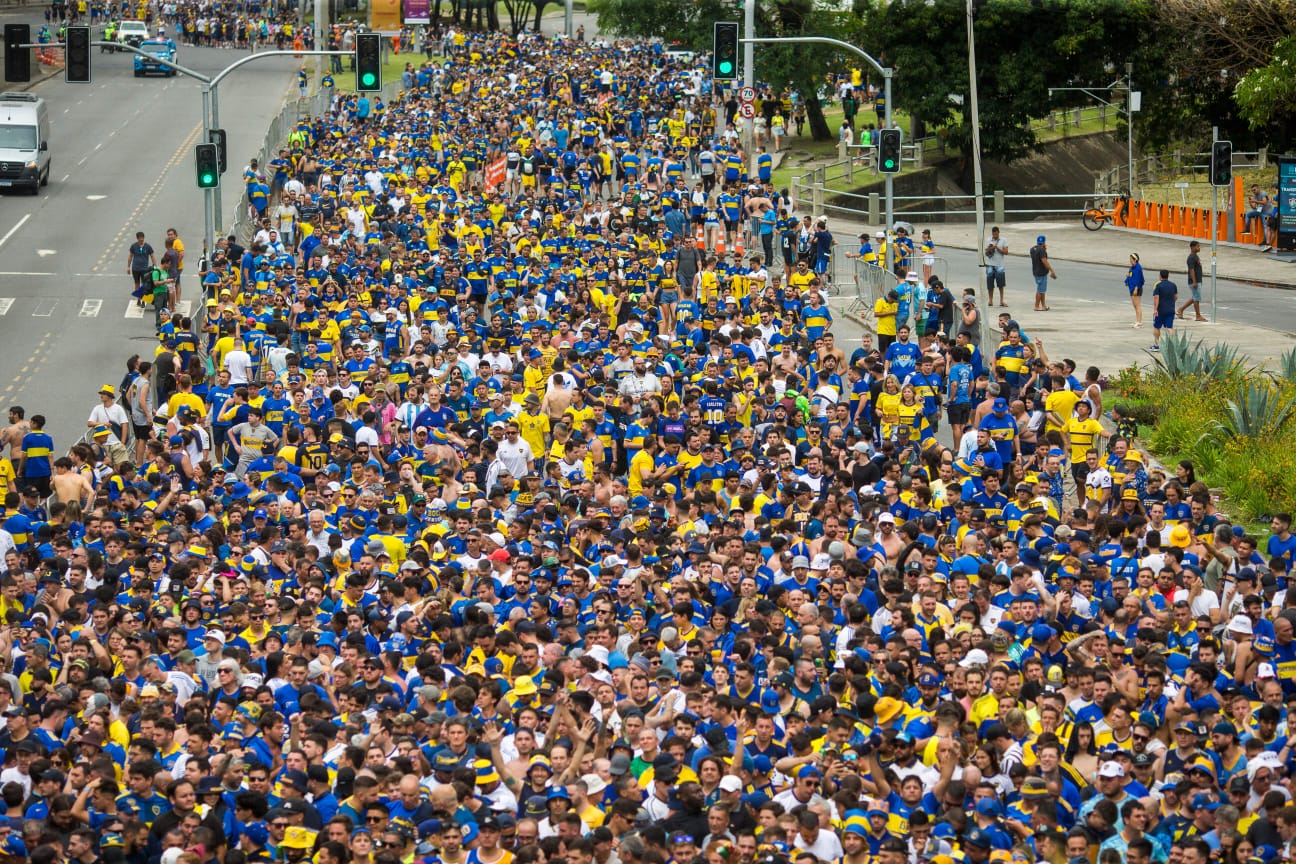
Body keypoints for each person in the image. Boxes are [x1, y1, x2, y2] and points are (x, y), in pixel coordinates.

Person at [1178, 240, 1207, 322]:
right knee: (1196, 298)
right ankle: (1198, 316)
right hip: (1194, 281)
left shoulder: (1195, 256)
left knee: (1195, 297)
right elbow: (1191, 270)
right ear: (1192, 247)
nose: (1199, 248)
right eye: (1197, 246)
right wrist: (1194, 281)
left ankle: (1180, 309)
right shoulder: (1191, 257)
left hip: (1197, 281)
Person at [1150, 269, 1178, 352]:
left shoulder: (1158, 285)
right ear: (1168, 276)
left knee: (1157, 327)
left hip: (1161, 310)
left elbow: (1156, 298)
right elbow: (1176, 296)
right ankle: (1172, 346)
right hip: (1170, 309)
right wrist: (1171, 303)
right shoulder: (1173, 285)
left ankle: (1156, 345)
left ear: (1160, 276)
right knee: (1169, 327)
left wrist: (1155, 309)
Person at [1029, 235, 1056, 312]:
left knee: (1042, 290)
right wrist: (1052, 270)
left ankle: (1043, 306)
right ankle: (1036, 306)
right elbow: (1044, 261)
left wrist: (1043, 250)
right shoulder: (1042, 250)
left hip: (1035, 272)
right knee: (1040, 290)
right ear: (1044, 242)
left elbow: (1037, 257)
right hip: (1041, 272)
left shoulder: (1032, 249)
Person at [985, 225, 1007, 306]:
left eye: (996, 234)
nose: (995, 236)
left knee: (1001, 284)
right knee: (990, 283)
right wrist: (991, 248)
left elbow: (1006, 252)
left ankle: (1001, 300)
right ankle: (990, 300)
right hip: (990, 264)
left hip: (1000, 265)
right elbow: (986, 252)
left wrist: (998, 248)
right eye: (994, 234)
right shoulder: (988, 240)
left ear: (998, 233)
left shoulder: (1003, 240)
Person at [1125, 252, 1145, 327]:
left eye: (1131, 259)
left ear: (1135, 260)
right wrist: (1128, 276)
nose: (1130, 260)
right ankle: (1137, 320)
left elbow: (1139, 279)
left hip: (1136, 289)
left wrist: (1136, 288)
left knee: (1138, 305)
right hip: (1132, 288)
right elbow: (1131, 275)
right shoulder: (1132, 267)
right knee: (1135, 305)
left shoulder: (1138, 268)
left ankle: (1140, 322)